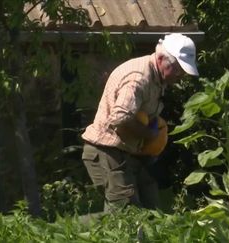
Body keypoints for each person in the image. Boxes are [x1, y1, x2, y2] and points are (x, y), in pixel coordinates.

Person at [81, 33, 199, 212]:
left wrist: (151, 142)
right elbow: (119, 119)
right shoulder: (138, 79)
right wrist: (149, 134)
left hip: (127, 152)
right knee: (125, 212)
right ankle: (60, 233)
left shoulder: (158, 77)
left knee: (151, 208)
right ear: (161, 59)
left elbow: (141, 115)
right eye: (178, 68)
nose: (181, 74)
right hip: (106, 150)